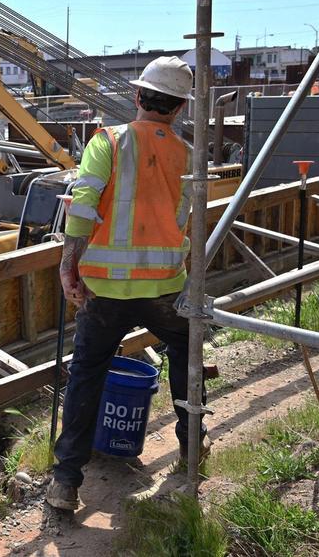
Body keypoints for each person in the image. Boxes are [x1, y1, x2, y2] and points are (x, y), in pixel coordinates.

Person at [46, 56, 207, 512]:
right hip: (164, 287)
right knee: (186, 357)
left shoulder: (108, 142)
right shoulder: (189, 154)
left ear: (138, 97)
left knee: (86, 375)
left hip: (106, 290)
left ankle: (65, 481)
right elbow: (188, 223)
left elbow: (82, 208)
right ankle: (193, 448)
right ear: (179, 108)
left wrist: (67, 268)